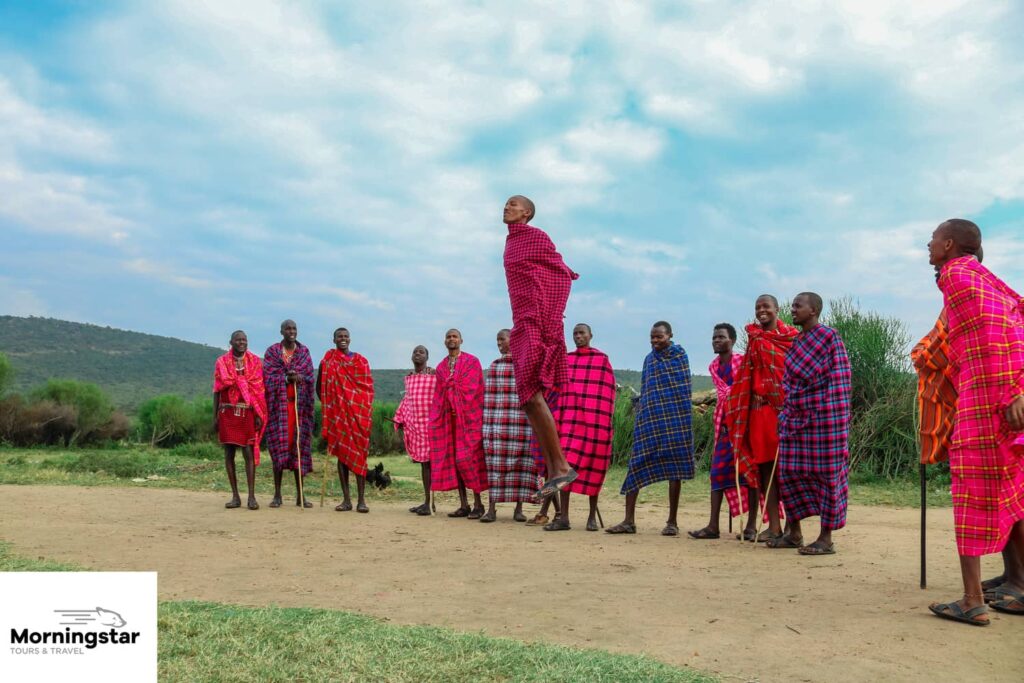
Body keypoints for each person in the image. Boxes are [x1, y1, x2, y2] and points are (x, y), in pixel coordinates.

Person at [925, 218, 1024, 625]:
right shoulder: (985, 281)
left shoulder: (957, 276)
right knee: (1011, 490)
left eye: (932, 240)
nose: (927, 246)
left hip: (987, 399)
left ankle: (971, 600)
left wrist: (1013, 390)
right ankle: (1018, 584)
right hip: (1002, 396)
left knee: (970, 489)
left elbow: (992, 332)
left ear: (948, 245)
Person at [502, 195, 579, 498]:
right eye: (505, 203)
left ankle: (560, 467)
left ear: (527, 212)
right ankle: (553, 468)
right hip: (520, 323)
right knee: (526, 398)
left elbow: (561, 274)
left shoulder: (536, 237)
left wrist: (549, 319)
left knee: (532, 394)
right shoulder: (511, 242)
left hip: (535, 321)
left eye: (512, 203)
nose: (506, 207)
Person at [770, 293, 853, 555]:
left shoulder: (829, 337)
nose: (792, 310)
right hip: (796, 419)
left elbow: (840, 380)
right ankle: (793, 532)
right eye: (793, 306)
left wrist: (827, 414)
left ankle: (825, 538)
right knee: (788, 474)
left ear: (813, 310)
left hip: (825, 421)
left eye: (798, 306)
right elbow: (790, 382)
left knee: (827, 477)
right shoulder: (798, 342)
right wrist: (786, 415)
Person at [606, 321, 693, 536]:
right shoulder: (649, 360)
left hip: (675, 421)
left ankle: (672, 522)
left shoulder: (679, 357)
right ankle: (628, 521)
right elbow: (647, 390)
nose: (655, 341)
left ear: (670, 335)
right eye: (652, 337)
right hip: (650, 421)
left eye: (659, 337)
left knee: (676, 468)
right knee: (636, 464)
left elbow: (683, 389)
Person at [725, 295, 799, 543]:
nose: (761, 310)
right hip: (760, 412)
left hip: (785, 411)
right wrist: (750, 396)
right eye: (757, 307)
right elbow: (748, 372)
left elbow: (793, 372)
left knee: (787, 469)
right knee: (765, 467)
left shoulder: (790, 337)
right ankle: (774, 527)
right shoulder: (755, 338)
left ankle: (793, 527)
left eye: (766, 306)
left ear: (777, 309)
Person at [689, 323, 759, 540]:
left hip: (745, 423)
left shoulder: (743, 362)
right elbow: (723, 394)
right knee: (717, 473)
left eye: (720, 337)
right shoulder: (713, 366)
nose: (716, 341)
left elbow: (749, 389)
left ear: (732, 341)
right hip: (725, 425)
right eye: (714, 337)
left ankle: (750, 526)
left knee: (750, 473)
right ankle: (713, 526)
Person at [544, 323, 616, 532]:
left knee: (595, 467)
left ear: (590, 335)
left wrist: (602, 422)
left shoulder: (601, 360)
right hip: (570, 424)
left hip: (594, 424)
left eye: (581, 333)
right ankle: (564, 517)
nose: (578, 336)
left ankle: (591, 516)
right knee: (565, 468)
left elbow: (607, 393)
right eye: (575, 333)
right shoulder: (567, 360)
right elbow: (558, 390)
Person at [481, 329, 540, 523]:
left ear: (512, 340)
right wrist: (487, 426)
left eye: (502, 339)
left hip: (521, 423)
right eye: (497, 340)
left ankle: (519, 509)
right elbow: (489, 400)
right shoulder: (494, 366)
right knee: (495, 467)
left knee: (522, 465)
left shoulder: (525, 365)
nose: (499, 343)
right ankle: (491, 508)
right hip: (498, 425)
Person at [430, 329, 489, 518]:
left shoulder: (472, 362)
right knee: (455, 462)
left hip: (469, 420)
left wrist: (455, 389)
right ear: (444, 341)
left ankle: (479, 504)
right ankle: (464, 505)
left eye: (454, 336)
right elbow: (439, 396)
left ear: (461, 340)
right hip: (450, 421)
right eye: (448, 337)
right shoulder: (440, 367)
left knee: (469, 459)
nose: (451, 339)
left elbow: (475, 389)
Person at [318, 327, 374, 513]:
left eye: (345, 336)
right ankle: (347, 500)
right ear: (333, 340)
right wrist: (332, 404)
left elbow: (367, 389)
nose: (343, 339)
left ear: (350, 339)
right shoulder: (328, 361)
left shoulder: (361, 362)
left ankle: (361, 500)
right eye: (339, 337)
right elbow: (320, 387)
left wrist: (359, 407)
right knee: (342, 456)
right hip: (339, 415)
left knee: (360, 456)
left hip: (359, 416)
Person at [213, 330, 267, 511]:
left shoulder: (254, 362)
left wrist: (259, 415)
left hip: (248, 411)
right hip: (227, 411)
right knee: (229, 453)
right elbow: (217, 390)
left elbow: (259, 390)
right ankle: (235, 496)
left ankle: (251, 497)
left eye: (244, 340)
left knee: (248, 452)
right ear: (231, 342)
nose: (241, 342)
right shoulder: (221, 362)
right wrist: (215, 417)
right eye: (238, 340)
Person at [263, 319, 315, 508]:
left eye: (294, 328)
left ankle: (301, 495)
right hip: (279, 411)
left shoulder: (304, 352)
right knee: (278, 452)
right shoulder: (272, 352)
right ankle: (277, 495)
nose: (291, 331)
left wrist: (298, 378)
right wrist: (285, 378)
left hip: (299, 410)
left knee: (299, 451)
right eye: (288, 328)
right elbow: (267, 378)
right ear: (281, 331)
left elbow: (309, 377)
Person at [394, 345, 436, 516]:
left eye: (422, 352)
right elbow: (408, 401)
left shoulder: (433, 376)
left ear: (427, 357)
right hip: (416, 426)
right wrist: (400, 418)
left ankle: (430, 503)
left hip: (431, 426)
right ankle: (427, 502)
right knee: (424, 465)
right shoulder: (410, 379)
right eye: (415, 352)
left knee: (429, 465)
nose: (418, 354)